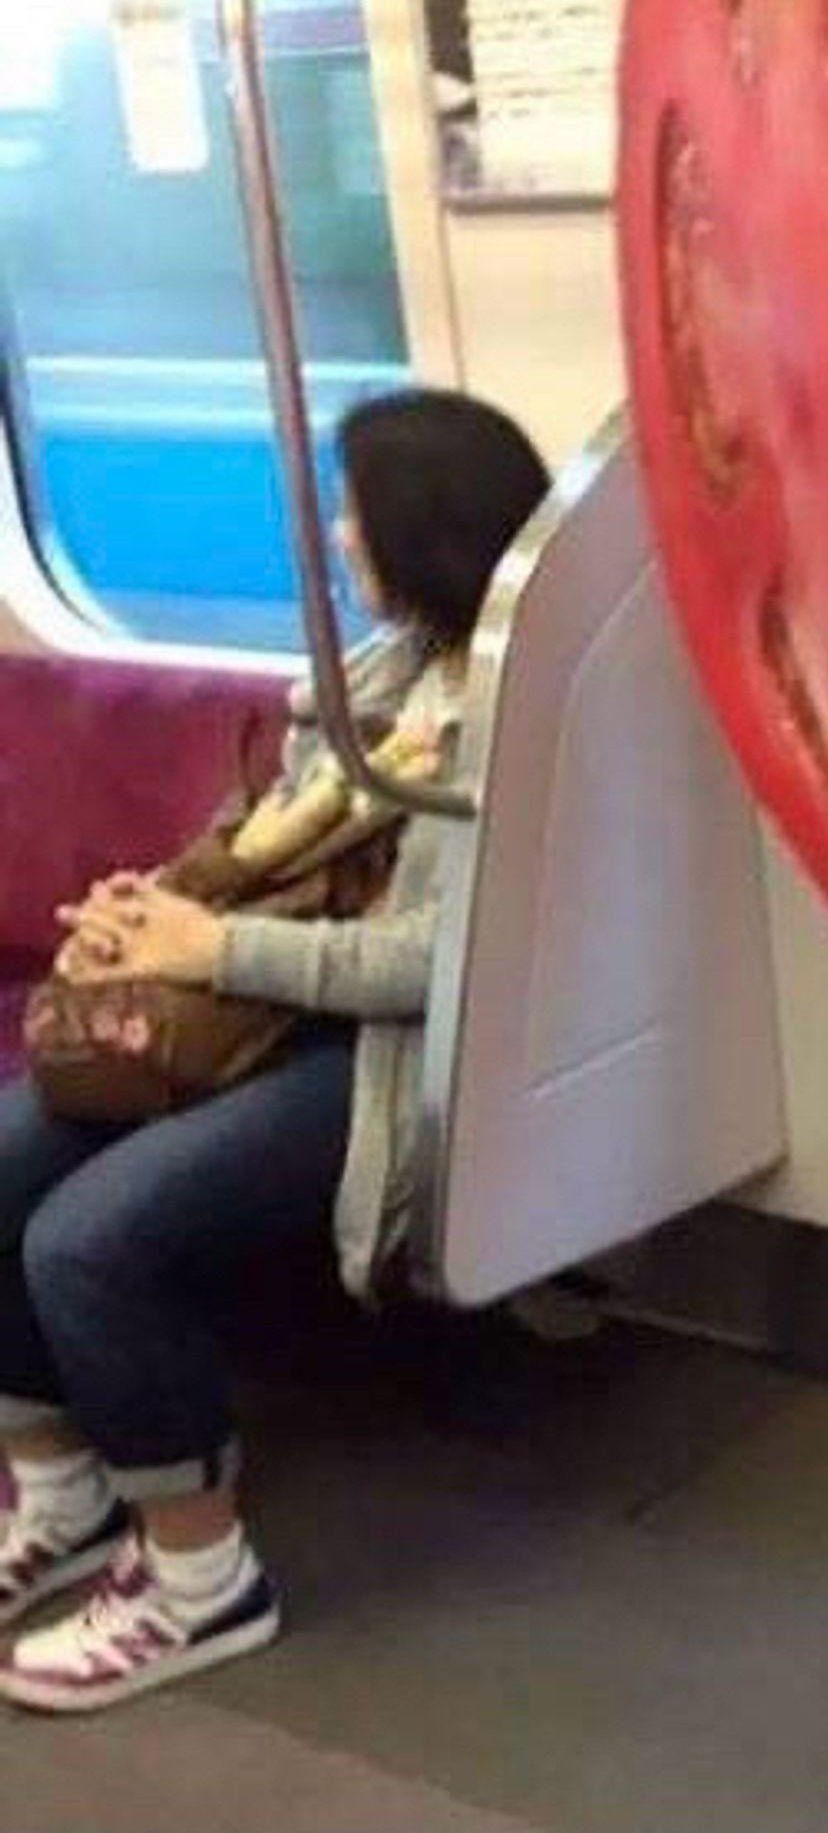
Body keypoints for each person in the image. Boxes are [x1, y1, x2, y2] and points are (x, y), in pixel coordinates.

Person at [0, 389, 547, 1714]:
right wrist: (149, 915)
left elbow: (429, 964)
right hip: (264, 1008)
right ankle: (60, 1475)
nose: (342, 535)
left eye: (357, 511)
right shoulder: (375, 677)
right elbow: (255, 844)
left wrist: (208, 955)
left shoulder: (499, 721)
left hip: (362, 1055)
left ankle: (202, 1579)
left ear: (424, 534)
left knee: (90, 1242)